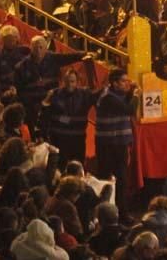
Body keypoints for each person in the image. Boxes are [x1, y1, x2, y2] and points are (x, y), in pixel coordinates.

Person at [95, 68, 138, 219]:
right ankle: (111, 213)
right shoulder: (108, 97)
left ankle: (119, 211)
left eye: (128, 80)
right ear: (114, 83)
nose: (127, 84)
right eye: (123, 81)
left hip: (117, 143)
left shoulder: (117, 95)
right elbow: (129, 109)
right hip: (109, 145)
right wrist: (136, 96)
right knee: (111, 179)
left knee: (120, 179)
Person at [42, 69, 98, 165]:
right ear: (63, 81)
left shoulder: (84, 95)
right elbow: (47, 114)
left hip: (77, 141)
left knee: (77, 167)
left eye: (72, 81)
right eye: (67, 81)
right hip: (59, 140)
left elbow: (97, 95)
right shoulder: (55, 94)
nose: (69, 84)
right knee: (59, 167)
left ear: (77, 82)